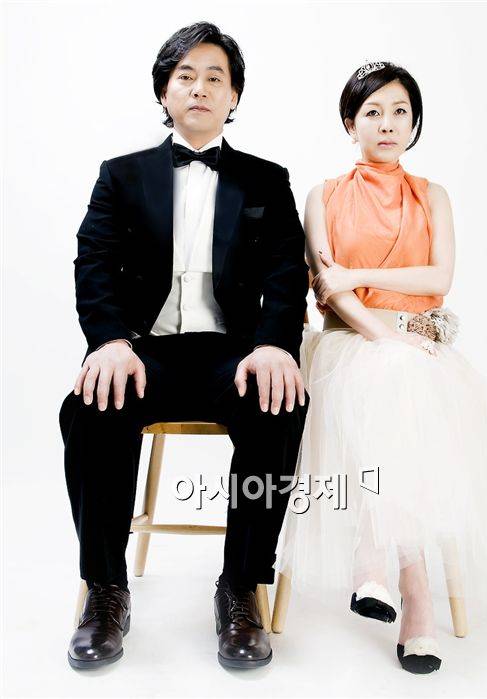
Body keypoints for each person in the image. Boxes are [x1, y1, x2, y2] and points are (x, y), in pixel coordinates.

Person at [277, 60, 487, 674]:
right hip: (349, 346)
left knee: (402, 391)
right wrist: (384, 337)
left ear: (415, 122)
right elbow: (330, 290)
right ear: (350, 123)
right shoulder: (324, 195)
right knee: (391, 379)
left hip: (421, 349)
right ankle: (416, 597)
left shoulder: (434, 195)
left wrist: (361, 274)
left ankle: (375, 559)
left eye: (400, 111)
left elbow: (438, 277)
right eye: (372, 112)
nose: (388, 124)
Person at [59, 21, 310, 670]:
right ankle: (105, 590)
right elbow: (93, 262)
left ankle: (241, 587)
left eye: (215, 78)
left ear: (234, 96)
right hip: (144, 352)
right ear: (164, 91)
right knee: (92, 405)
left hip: (234, 355)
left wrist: (275, 344)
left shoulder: (266, 180)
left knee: (280, 403)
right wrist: (109, 340)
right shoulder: (120, 176)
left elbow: (287, 272)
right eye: (185, 76)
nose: (200, 88)